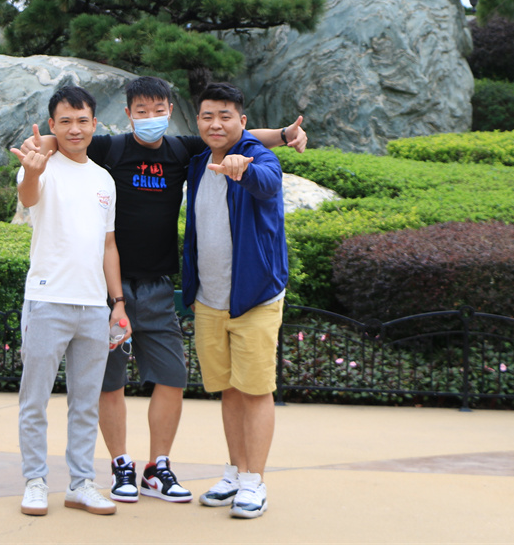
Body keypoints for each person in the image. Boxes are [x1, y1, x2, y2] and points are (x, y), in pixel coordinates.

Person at [19, 76, 305, 504]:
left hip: (158, 285)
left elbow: (232, 134)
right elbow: (65, 138)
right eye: (141, 111)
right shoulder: (109, 148)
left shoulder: (182, 150)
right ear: (127, 114)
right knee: (108, 383)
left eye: (158, 110)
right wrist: (39, 146)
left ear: (170, 112)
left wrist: (283, 135)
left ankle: (158, 467)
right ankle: (121, 464)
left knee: (172, 376)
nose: (150, 118)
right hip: (107, 289)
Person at [11, 85, 132, 518]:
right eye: (65, 121)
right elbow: (28, 198)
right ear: (52, 125)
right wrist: (31, 171)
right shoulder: (39, 165)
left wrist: (117, 303)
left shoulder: (104, 179)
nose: (74, 128)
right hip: (47, 300)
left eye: (82, 120)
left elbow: (109, 245)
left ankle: (81, 484)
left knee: (85, 403)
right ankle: (35, 481)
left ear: (95, 124)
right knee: (35, 400)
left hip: (94, 307)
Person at [182, 82, 288, 519]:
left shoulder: (259, 157)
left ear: (242, 122)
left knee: (256, 390)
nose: (215, 124)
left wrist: (243, 169)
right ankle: (234, 472)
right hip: (209, 299)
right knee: (228, 389)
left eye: (225, 116)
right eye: (207, 116)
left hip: (254, 296)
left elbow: (268, 182)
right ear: (198, 120)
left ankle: (254, 481)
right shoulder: (196, 163)